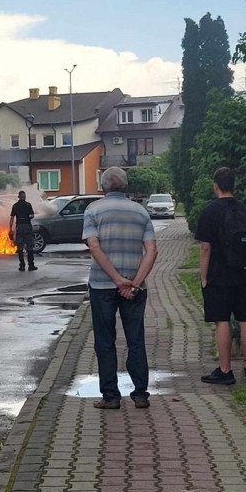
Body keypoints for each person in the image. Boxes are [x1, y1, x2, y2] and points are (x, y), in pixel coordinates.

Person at [82, 167, 158, 409]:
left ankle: (111, 396)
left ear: (103, 187)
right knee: (135, 339)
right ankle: (140, 395)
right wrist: (134, 282)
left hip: (102, 285)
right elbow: (152, 251)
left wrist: (116, 279)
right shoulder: (140, 212)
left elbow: (94, 247)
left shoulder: (93, 210)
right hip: (134, 288)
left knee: (105, 340)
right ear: (125, 186)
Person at [195, 167, 246, 385]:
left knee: (222, 321)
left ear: (215, 186)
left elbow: (205, 248)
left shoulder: (209, 211)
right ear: (234, 185)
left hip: (219, 276)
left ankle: (225, 370)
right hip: (245, 274)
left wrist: (203, 278)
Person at [9, 191, 37, 271]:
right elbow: (31, 216)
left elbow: (12, 218)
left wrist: (10, 229)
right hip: (27, 226)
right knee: (29, 246)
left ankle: (22, 266)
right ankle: (31, 265)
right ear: (24, 196)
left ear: (18, 196)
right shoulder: (28, 205)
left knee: (20, 247)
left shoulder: (15, 206)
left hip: (19, 227)